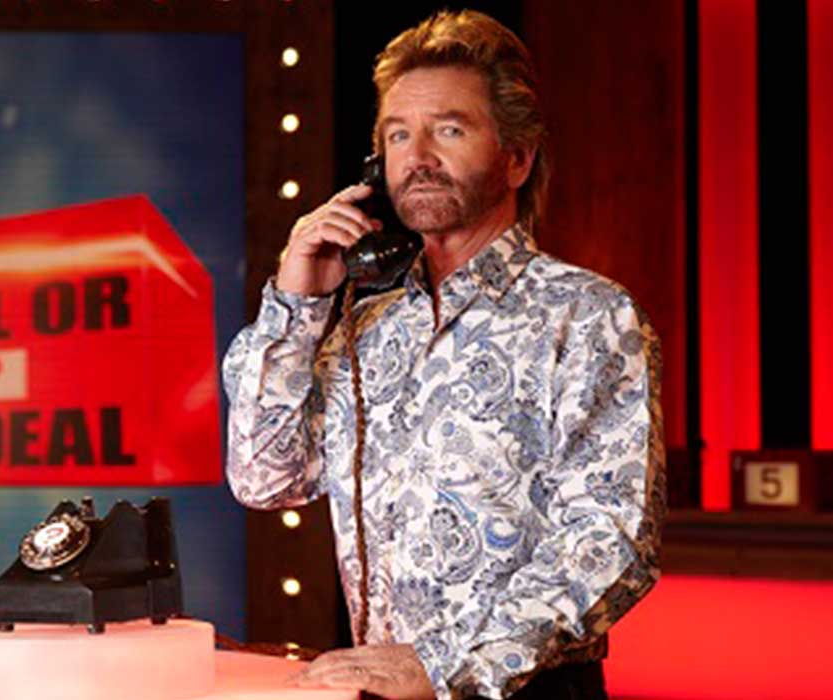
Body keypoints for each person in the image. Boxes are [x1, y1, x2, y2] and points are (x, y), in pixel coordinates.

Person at [221, 9, 666, 700]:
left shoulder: (587, 316)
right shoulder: (363, 327)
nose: (418, 156)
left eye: (449, 130)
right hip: (381, 686)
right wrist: (295, 304)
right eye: (398, 134)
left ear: (517, 158)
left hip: (527, 690)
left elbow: (610, 542)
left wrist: (445, 663)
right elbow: (263, 479)